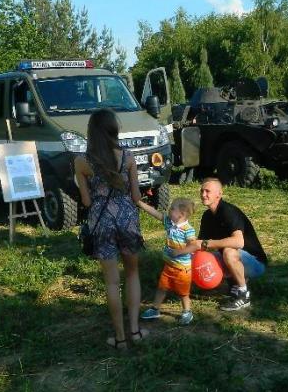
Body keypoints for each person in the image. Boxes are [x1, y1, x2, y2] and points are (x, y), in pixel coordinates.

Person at [75, 109, 147, 349]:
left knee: (112, 283)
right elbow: (136, 196)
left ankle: (119, 338)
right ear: (114, 130)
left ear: (92, 132)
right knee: (132, 274)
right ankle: (135, 331)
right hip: (128, 220)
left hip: (102, 222)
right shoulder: (128, 157)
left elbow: (86, 202)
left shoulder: (82, 162)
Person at [193, 178, 267, 311]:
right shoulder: (207, 216)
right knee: (199, 256)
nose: (203, 194)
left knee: (229, 251)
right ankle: (233, 283)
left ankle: (243, 294)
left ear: (219, 194)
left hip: (255, 263)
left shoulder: (228, 211)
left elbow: (238, 242)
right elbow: (200, 245)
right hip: (234, 259)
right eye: (202, 191)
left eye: (207, 191)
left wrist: (209, 243)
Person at [137, 197, 198, 325]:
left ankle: (187, 311)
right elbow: (156, 213)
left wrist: (180, 252)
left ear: (181, 214)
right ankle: (155, 309)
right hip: (169, 266)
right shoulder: (170, 223)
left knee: (183, 293)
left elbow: (194, 246)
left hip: (182, 270)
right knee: (162, 287)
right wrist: (140, 203)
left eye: (172, 208)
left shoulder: (188, 229)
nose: (169, 210)